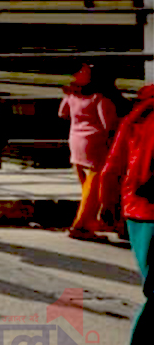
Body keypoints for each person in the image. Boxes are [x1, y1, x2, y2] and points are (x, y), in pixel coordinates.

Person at [94, 83, 154, 345]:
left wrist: (108, 203)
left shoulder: (137, 115)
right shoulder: (141, 116)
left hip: (137, 209)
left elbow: (113, 164)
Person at [62, 63, 122, 242]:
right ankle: (80, 226)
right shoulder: (100, 98)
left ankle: (93, 222)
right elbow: (108, 124)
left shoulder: (72, 95)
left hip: (75, 142)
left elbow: (62, 113)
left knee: (87, 188)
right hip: (95, 145)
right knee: (94, 189)